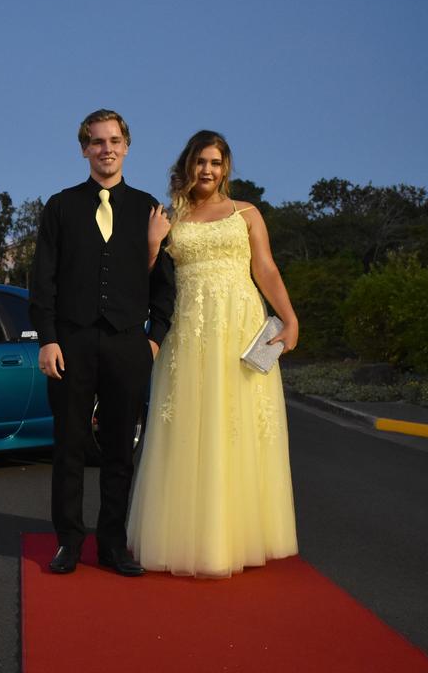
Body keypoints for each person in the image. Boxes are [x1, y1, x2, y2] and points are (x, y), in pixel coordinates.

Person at [126, 130, 300, 578]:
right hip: (189, 330)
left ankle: (240, 537)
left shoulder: (246, 213)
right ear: (188, 164)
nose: (208, 170)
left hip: (240, 327)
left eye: (217, 163)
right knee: (188, 427)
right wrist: (151, 242)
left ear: (226, 169)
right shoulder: (169, 217)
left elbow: (265, 268)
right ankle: (186, 536)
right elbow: (146, 279)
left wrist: (290, 318)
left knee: (236, 425)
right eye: (201, 161)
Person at [30, 109, 175, 576]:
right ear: (84, 149)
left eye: (114, 140)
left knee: (119, 451)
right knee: (69, 447)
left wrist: (153, 341)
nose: (106, 148)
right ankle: (68, 543)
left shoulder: (149, 209)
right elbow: (43, 281)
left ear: (127, 146)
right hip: (70, 343)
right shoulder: (61, 206)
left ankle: (112, 545)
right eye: (96, 142)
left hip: (127, 346)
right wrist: (47, 339)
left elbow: (165, 286)